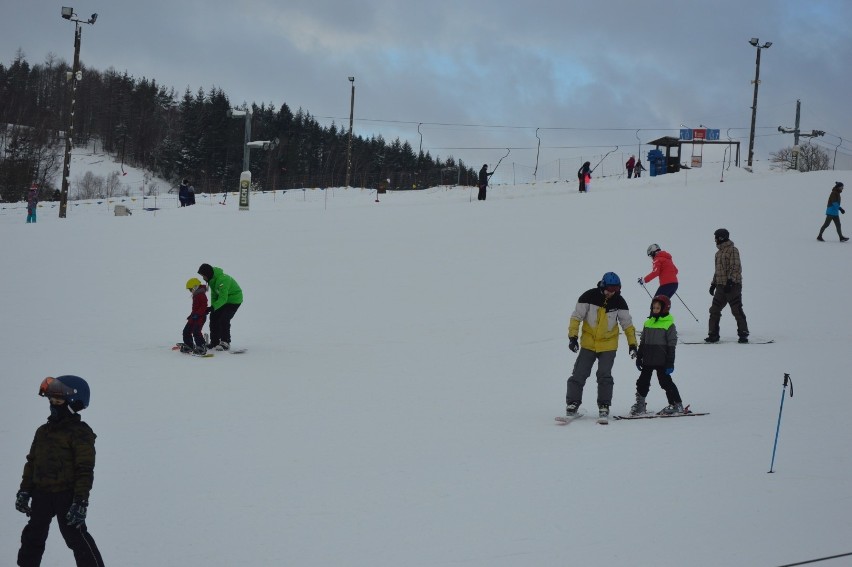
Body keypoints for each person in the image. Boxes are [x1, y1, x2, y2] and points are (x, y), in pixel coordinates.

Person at [16, 375, 105, 567]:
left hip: (67, 495)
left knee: (76, 538)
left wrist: (80, 501)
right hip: (41, 494)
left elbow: (85, 469)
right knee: (32, 537)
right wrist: (25, 490)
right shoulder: (43, 431)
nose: (53, 405)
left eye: (58, 401)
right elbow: (32, 462)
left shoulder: (80, 432)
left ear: (75, 404)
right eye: (51, 400)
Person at [566, 272, 638, 421]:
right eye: (610, 289)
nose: (612, 293)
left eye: (615, 290)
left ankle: (604, 405)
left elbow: (627, 324)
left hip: (608, 345)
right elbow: (576, 317)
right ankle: (573, 403)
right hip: (588, 343)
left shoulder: (619, 302)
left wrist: (632, 344)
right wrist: (572, 337)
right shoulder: (588, 297)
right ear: (603, 286)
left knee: (604, 375)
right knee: (579, 373)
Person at [632, 295, 683, 416]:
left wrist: (670, 362)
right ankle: (640, 405)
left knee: (666, 383)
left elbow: (671, 345)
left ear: (664, 309)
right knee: (642, 382)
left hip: (662, 361)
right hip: (648, 360)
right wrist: (639, 357)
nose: (655, 310)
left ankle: (676, 404)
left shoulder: (669, 324)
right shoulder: (648, 322)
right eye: (653, 307)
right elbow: (643, 341)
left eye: (658, 308)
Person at [706, 228, 750, 343]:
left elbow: (736, 267)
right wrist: (713, 284)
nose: (715, 240)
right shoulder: (718, 253)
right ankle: (713, 334)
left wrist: (731, 281)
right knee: (714, 310)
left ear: (721, 237)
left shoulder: (733, 250)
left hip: (733, 286)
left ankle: (743, 334)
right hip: (720, 287)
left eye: (716, 237)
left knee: (736, 309)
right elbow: (718, 271)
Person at [198, 263, 243, 350]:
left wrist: (213, 307)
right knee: (214, 316)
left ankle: (225, 342)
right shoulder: (212, 280)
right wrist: (212, 308)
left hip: (234, 300)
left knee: (224, 318)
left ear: (208, 274)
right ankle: (214, 342)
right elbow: (214, 295)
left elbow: (223, 298)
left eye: (203, 276)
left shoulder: (223, 280)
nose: (203, 278)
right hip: (223, 301)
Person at [179, 277, 208, 355]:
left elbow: (204, 306)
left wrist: (197, 314)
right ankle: (189, 345)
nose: (190, 291)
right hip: (194, 316)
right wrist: (192, 316)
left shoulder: (201, 295)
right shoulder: (196, 295)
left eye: (190, 289)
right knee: (186, 331)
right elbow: (195, 308)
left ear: (195, 287)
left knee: (196, 332)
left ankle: (201, 346)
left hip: (200, 317)